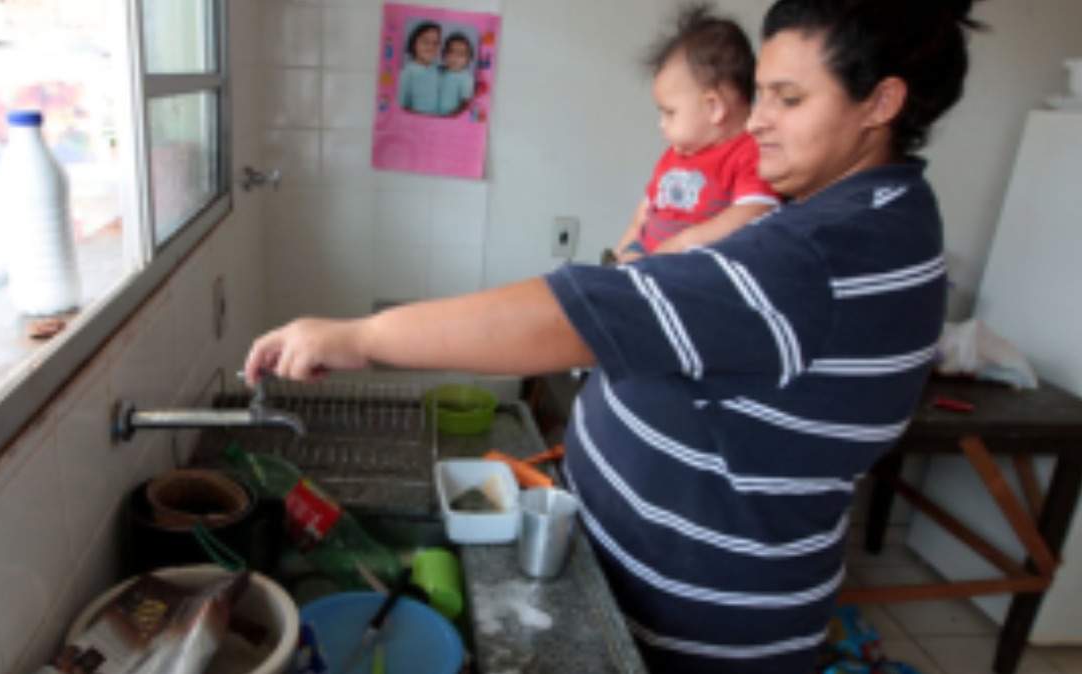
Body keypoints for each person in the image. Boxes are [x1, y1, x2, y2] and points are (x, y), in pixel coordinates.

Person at [244, 0, 983, 671]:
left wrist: (361, 336)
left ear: (881, 102)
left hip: (701, 632)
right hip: (678, 588)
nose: (756, 119)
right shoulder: (879, 216)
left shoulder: (814, 253)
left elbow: (576, 315)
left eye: (789, 99)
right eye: (762, 91)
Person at [613, 5, 779, 263]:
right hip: (648, 252)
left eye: (670, 112)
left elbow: (754, 210)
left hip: (688, 265)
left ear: (713, 107)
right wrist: (627, 242)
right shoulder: (675, 154)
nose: (661, 124)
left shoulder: (749, 151)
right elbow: (648, 205)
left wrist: (684, 243)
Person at [398, 21, 442, 115]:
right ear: (414, 44)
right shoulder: (407, 73)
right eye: (425, 42)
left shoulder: (439, 72)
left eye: (436, 43)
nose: (431, 46)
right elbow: (401, 106)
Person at [438, 33, 476, 116]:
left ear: (468, 58)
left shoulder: (466, 78)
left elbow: (466, 102)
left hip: (452, 115)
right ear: (444, 54)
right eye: (451, 52)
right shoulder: (439, 71)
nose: (455, 57)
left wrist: (454, 114)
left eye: (461, 54)